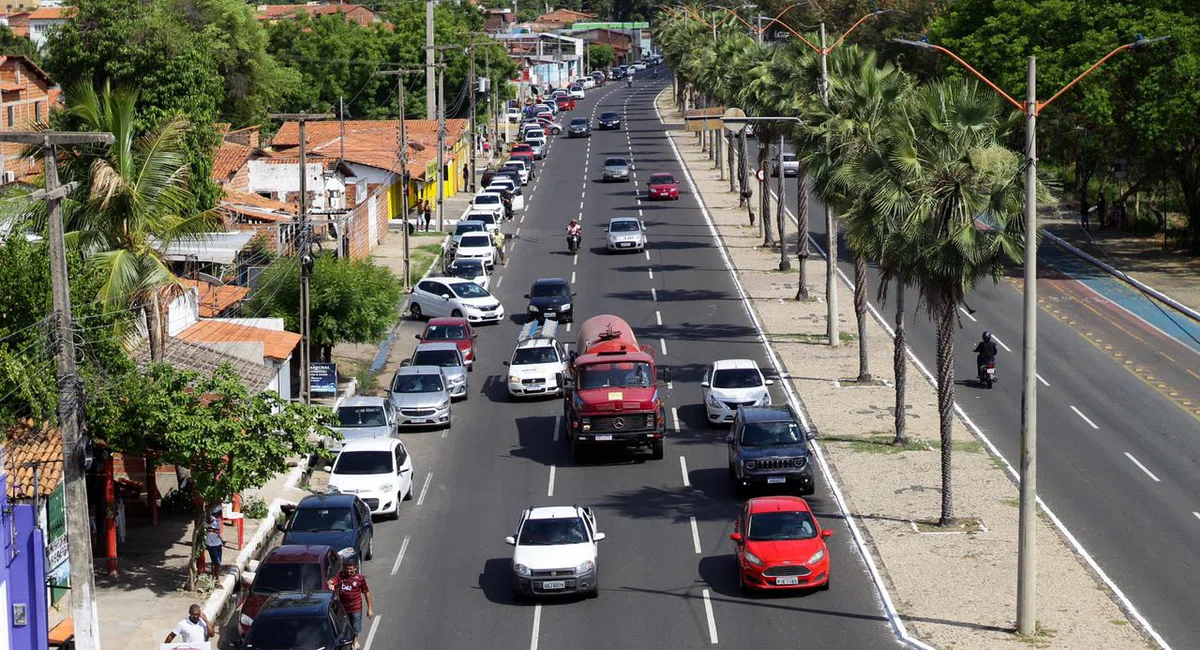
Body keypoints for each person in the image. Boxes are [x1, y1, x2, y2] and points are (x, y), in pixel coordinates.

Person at [329, 558, 373, 650]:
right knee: (345, 626)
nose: (349, 571)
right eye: (347, 569)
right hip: (343, 607)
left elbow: (366, 593)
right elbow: (331, 581)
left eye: (351, 569)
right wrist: (331, 584)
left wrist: (370, 609)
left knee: (356, 625)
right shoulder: (341, 576)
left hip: (356, 607)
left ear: (355, 568)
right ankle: (346, 640)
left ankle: (355, 640)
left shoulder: (360, 579)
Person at [204, 510, 223, 580]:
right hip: (212, 544)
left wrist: (222, 541)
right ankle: (217, 579)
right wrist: (208, 508)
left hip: (218, 543)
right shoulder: (211, 518)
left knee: (216, 562)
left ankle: (213, 576)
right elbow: (208, 519)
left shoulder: (218, 520)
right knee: (217, 562)